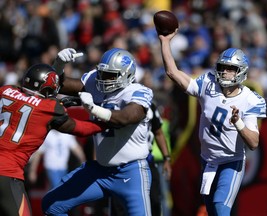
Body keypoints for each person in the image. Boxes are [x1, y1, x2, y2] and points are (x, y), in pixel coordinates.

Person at [158, 30, 267, 216]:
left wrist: (238, 123)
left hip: (231, 162)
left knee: (220, 206)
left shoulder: (251, 100)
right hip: (208, 161)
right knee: (211, 210)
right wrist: (165, 41)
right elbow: (172, 72)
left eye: (230, 68)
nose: (224, 72)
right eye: (222, 67)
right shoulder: (208, 84)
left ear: (241, 72)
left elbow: (253, 143)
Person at [41, 47, 154, 216]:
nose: (103, 79)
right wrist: (58, 65)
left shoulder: (137, 92)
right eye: (101, 73)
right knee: (52, 205)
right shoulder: (96, 82)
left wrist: (94, 109)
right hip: (100, 171)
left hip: (131, 172)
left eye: (110, 75)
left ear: (127, 75)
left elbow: (126, 117)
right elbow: (60, 85)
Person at [0, 63, 105, 216]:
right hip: (6, 174)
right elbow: (81, 129)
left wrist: (61, 103)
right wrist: (107, 122)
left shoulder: (5, 90)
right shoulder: (49, 108)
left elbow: (22, 107)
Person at [110, 101, 172, 216]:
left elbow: (158, 132)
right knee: (120, 206)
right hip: (122, 164)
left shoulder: (147, 104)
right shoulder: (114, 103)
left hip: (146, 162)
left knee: (154, 202)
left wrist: (166, 158)